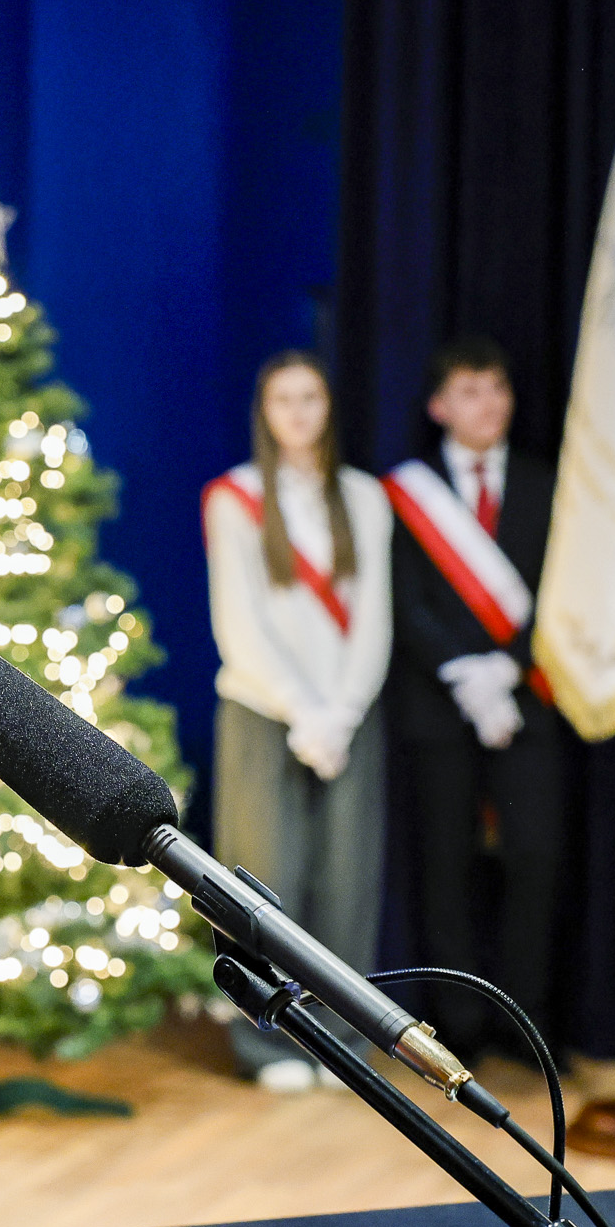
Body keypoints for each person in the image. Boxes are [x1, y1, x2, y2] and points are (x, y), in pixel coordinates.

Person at [204, 352, 393, 1092]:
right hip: (262, 711)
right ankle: (269, 1046)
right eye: (283, 398)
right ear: (265, 409)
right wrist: (302, 709)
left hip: (349, 714)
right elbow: (239, 622)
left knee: (348, 876)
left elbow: (372, 618)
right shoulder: (236, 497)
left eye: (310, 397)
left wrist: (341, 713)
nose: (298, 412)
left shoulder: (365, 498)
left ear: (328, 407)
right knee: (265, 879)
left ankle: (342, 1041)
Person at [384, 336, 566, 1059]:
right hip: (439, 707)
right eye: (468, 391)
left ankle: (526, 1023)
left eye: (497, 390)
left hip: (529, 702)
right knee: (447, 866)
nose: (486, 405)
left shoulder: (545, 483)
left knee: (534, 862)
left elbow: (561, 593)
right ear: (438, 406)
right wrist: (463, 672)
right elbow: (406, 602)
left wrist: (508, 669)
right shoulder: (406, 491)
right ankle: (456, 1027)